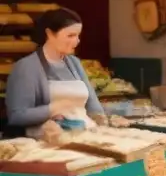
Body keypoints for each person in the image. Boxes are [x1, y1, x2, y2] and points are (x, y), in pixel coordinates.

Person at [5, 8, 105, 137]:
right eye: (70, 36)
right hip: (48, 141)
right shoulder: (26, 67)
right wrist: (52, 109)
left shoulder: (74, 63)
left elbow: (93, 105)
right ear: (49, 34)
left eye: (78, 35)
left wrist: (103, 121)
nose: (77, 41)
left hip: (84, 134)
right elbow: (16, 116)